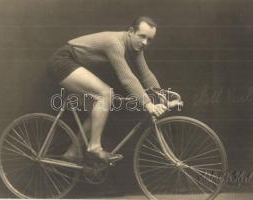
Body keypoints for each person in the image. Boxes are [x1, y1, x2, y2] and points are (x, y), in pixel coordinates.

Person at [48, 16, 168, 162]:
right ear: (131, 31)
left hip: (74, 64)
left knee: (98, 110)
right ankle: (94, 147)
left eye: (149, 40)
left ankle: (72, 153)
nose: (144, 42)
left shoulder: (136, 48)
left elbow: (146, 74)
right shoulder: (114, 43)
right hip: (63, 61)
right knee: (105, 94)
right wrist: (148, 104)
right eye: (142, 36)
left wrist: (163, 96)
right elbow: (127, 78)